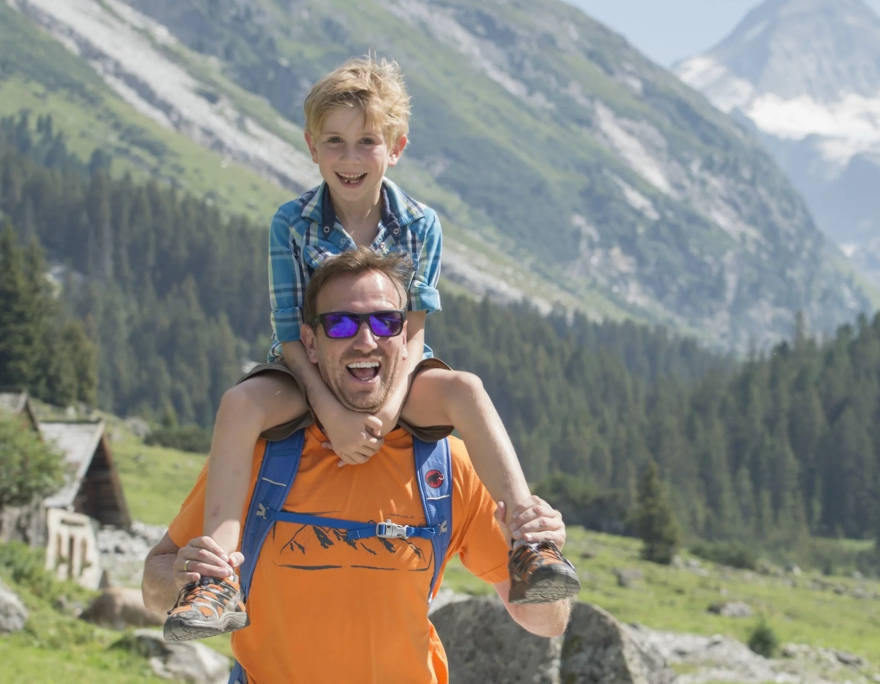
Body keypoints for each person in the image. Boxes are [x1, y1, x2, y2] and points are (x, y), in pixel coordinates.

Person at [163, 54, 579, 640]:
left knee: (466, 389)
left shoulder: (420, 223)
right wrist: (329, 412)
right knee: (240, 405)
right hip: (307, 366)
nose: (350, 157)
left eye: (367, 142)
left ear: (396, 146)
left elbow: (413, 330)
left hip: (396, 366)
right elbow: (288, 332)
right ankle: (218, 578)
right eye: (334, 141)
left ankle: (532, 542)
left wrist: (385, 410)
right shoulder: (291, 222)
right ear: (312, 147)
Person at [143, 249, 573, 683]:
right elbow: (153, 585)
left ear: (406, 338)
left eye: (386, 322)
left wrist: (532, 538)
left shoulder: (447, 466)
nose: (365, 340)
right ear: (309, 343)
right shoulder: (257, 456)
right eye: (341, 323)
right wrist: (183, 575)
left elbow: (545, 622)